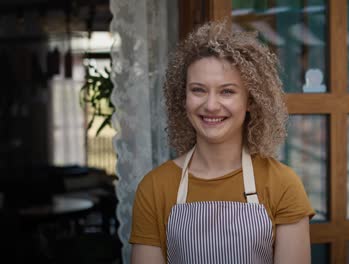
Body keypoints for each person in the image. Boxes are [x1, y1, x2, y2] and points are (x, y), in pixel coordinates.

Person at [129, 20, 315, 264]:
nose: (211, 105)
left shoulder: (282, 184)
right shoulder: (154, 188)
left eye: (227, 91)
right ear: (182, 98)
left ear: (251, 101)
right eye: (198, 90)